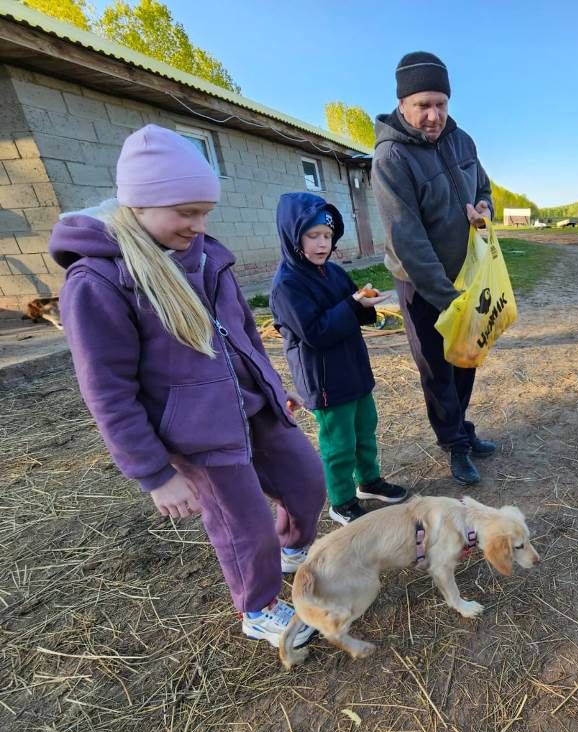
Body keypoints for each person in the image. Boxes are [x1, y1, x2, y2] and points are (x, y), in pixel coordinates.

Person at [49, 124, 324, 652]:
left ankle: (291, 551)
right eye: (186, 212)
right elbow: (107, 390)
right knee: (244, 528)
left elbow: (243, 330)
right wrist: (154, 473)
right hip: (198, 432)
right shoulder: (99, 281)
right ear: (140, 203)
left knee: (307, 481)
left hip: (250, 406)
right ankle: (258, 607)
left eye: (205, 212)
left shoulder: (207, 256)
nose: (198, 225)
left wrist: (271, 385)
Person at [372, 50, 497, 486]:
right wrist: (448, 298)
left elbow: (483, 185)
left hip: (467, 274)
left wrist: (485, 207)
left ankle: (462, 430)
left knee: (466, 357)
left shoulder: (462, 141)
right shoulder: (391, 158)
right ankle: (454, 445)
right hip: (421, 284)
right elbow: (407, 239)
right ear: (403, 105)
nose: (433, 115)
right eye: (423, 104)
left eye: (441, 104)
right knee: (436, 365)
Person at [270, 192, 408, 524]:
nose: (322, 244)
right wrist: (352, 306)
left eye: (328, 236)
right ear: (293, 237)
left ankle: (369, 481)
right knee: (339, 442)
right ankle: (342, 500)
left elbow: (351, 309)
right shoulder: (287, 286)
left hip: (354, 372)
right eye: (313, 236)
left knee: (365, 430)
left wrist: (365, 305)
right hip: (325, 379)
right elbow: (315, 332)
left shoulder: (332, 272)